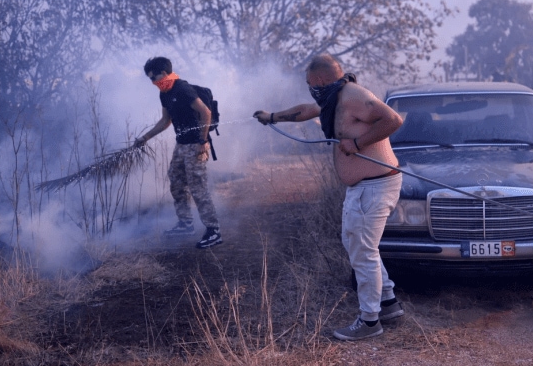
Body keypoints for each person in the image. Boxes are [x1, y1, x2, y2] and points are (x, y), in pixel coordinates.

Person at [253, 54, 405, 342]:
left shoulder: (354, 96)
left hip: (375, 185)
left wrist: (358, 143)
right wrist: (273, 117)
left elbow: (393, 119)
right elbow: (307, 110)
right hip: (364, 187)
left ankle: (370, 321)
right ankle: (387, 303)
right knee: (359, 245)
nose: (310, 88)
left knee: (363, 251)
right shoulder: (334, 97)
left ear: (320, 80)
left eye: (310, 83)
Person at [134, 57, 223, 248]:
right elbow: (166, 121)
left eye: (155, 77)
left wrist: (203, 140)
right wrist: (145, 137)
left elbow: (206, 112)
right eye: (150, 79)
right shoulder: (164, 94)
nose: (153, 82)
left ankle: (213, 231)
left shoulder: (182, 89)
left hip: (196, 144)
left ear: (164, 73)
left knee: (197, 186)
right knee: (176, 180)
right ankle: (185, 223)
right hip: (181, 144)